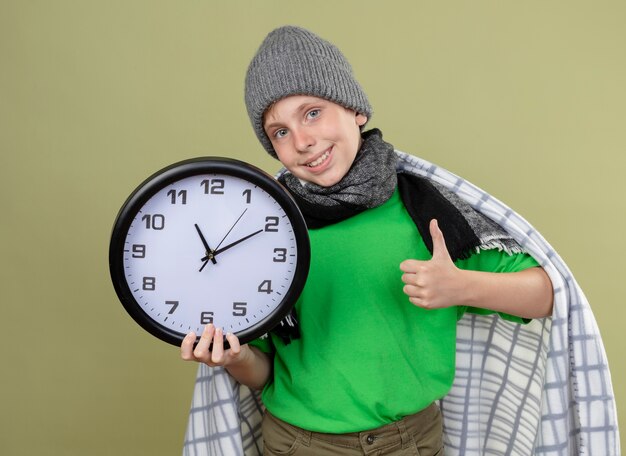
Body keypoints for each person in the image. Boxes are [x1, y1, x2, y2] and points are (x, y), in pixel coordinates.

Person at [180, 25, 553, 456]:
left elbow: (543, 294)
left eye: (313, 112)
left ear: (355, 109)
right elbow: (265, 373)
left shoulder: (421, 208)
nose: (302, 141)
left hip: (411, 441)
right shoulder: (266, 228)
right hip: (297, 443)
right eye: (279, 131)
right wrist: (233, 358)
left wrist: (462, 286)